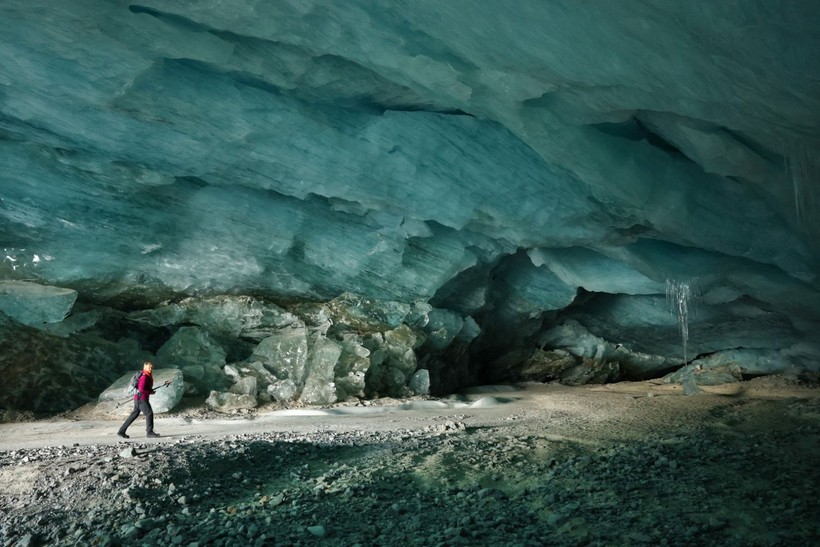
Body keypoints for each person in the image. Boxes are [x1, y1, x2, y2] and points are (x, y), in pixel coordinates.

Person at [117, 361, 166, 439]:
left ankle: (121, 431)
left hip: (138, 398)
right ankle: (149, 433)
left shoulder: (145, 375)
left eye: (151, 368)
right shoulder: (144, 377)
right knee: (149, 413)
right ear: (145, 367)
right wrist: (150, 392)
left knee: (134, 415)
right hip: (141, 399)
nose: (151, 369)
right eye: (149, 368)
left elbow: (143, 389)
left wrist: (149, 391)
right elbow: (141, 389)